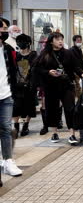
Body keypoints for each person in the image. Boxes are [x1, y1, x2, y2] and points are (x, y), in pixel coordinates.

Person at [35, 32, 83, 144]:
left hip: (66, 84)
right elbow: (37, 69)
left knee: (70, 108)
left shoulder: (68, 53)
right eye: (57, 39)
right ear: (51, 41)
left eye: (61, 39)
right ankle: (54, 133)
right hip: (51, 86)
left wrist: (82, 73)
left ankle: (72, 134)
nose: (60, 41)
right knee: (53, 109)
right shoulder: (45, 54)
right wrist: (48, 72)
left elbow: (75, 66)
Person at [0, 26, 23, 180]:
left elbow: (13, 70)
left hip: (6, 95)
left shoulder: (7, 49)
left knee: (6, 128)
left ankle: (8, 160)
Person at [12, 34, 38, 137]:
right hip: (17, 85)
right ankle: (16, 126)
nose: (21, 44)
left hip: (30, 85)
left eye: (23, 41)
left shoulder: (34, 55)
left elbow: (36, 69)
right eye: (19, 41)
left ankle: (25, 125)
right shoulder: (15, 55)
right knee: (16, 106)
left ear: (29, 43)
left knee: (29, 106)